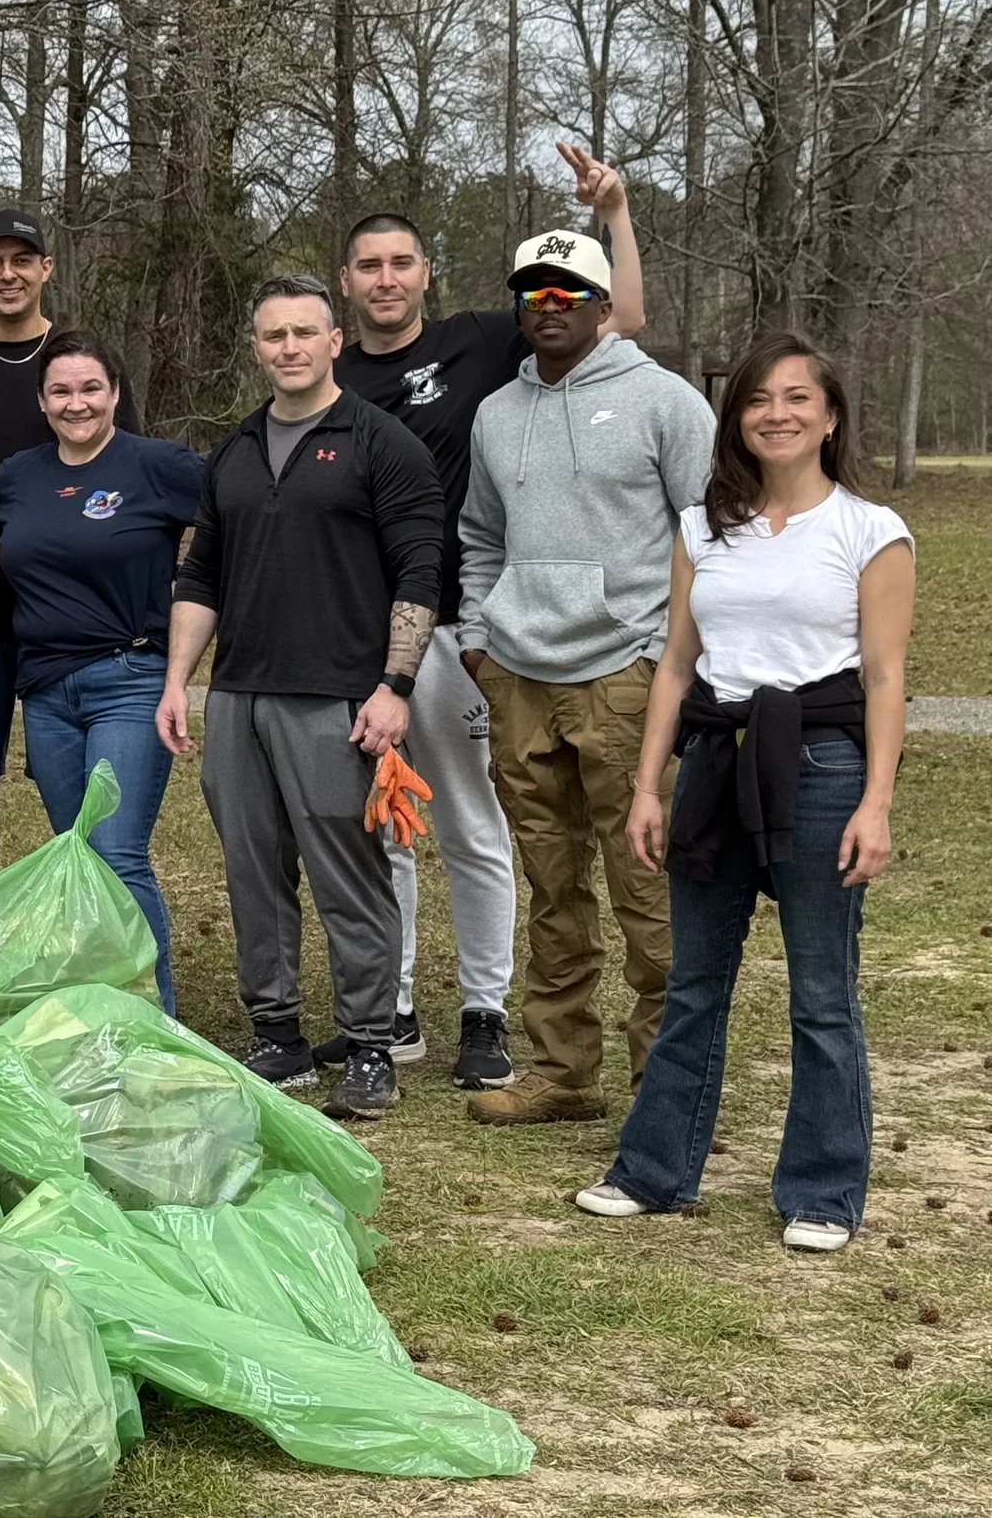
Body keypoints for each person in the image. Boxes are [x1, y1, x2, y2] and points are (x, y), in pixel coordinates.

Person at [576, 335, 910, 1251]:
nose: (777, 413)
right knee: (693, 983)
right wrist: (650, 785)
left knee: (821, 992)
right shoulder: (701, 528)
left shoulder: (869, 531)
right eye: (760, 399)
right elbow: (678, 668)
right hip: (716, 766)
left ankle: (822, 1189)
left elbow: (884, 678)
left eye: (798, 398)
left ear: (830, 417)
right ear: (739, 419)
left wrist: (875, 802)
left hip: (822, 767)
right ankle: (654, 1168)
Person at [333, 140, 646, 1087]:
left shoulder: (478, 341)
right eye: (368, 266)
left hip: (461, 627)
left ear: (426, 273)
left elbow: (618, 323)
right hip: (362, 630)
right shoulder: (327, 372)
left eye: (401, 263)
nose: (386, 280)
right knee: (380, 824)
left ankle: (483, 1011)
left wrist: (615, 215)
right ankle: (390, 1006)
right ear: (346, 283)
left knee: (470, 819)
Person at [159, 275, 444, 1120]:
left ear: (332, 343)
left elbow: (421, 570)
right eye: (272, 334)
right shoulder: (238, 449)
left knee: (348, 874)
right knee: (251, 869)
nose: (288, 347)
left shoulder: (380, 442)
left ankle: (369, 1043)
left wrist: (395, 685)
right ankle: (277, 1031)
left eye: (303, 333)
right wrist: (180, 681)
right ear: (257, 347)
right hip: (239, 693)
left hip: (337, 696)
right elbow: (200, 572)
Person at [456, 229, 715, 1125]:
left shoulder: (666, 404)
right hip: (519, 679)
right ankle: (564, 1070)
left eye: (569, 289)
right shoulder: (496, 413)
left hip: (625, 676)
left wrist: (665, 655)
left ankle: (668, 1083)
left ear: (606, 306)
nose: (549, 304)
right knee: (552, 882)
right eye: (534, 290)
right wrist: (480, 644)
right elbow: (481, 537)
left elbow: (710, 535)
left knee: (648, 884)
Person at [0, 209, 141, 894]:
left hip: (71, 622)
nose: (8, 274)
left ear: (46, 267)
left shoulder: (83, 369)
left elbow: (126, 476)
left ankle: (88, 919)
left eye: (23, 259)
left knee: (75, 788)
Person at [0, 330, 203, 1009]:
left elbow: (231, 524)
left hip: (129, 680)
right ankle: (99, 1007)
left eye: (90, 388)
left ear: (115, 393)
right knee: (76, 857)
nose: (77, 403)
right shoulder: (20, 472)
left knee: (115, 850)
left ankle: (154, 1020)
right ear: (42, 400)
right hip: (45, 691)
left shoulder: (158, 466)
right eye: (62, 390)